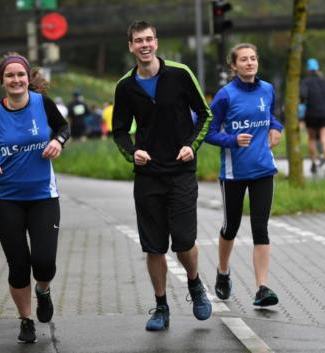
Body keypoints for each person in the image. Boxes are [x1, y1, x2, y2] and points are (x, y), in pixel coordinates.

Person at [112, 20, 213, 331]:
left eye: (149, 39)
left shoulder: (180, 74)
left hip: (181, 171)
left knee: (183, 242)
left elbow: (205, 115)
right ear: (130, 46)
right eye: (138, 41)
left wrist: (192, 145)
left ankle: (195, 285)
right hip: (148, 175)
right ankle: (160, 307)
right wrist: (133, 153)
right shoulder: (125, 86)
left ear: (156, 42)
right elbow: (119, 131)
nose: (144, 45)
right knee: (154, 247)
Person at [0, 53, 70, 344]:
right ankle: (26, 320)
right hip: (6, 200)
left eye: (20, 75)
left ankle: (43, 290)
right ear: (2, 81)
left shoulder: (42, 104)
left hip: (44, 197)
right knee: (18, 265)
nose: (16, 80)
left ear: (27, 78)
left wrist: (57, 141)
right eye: (9, 76)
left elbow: (64, 128)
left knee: (44, 261)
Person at [205, 43, 283, 307]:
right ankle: (223, 272)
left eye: (253, 58)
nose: (250, 63)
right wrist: (232, 140)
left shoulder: (267, 89)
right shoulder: (225, 96)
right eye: (244, 60)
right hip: (233, 173)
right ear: (234, 66)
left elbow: (271, 114)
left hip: (263, 168)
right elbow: (209, 132)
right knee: (231, 227)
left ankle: (261, 288)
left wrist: (276, 127)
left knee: (261, 229)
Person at [300, 58, 325, 177]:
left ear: (308, 69)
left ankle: (314, 163)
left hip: (311, 113)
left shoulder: (305, 81)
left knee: (311, 138)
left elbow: (302, 95)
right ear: (317, 68)